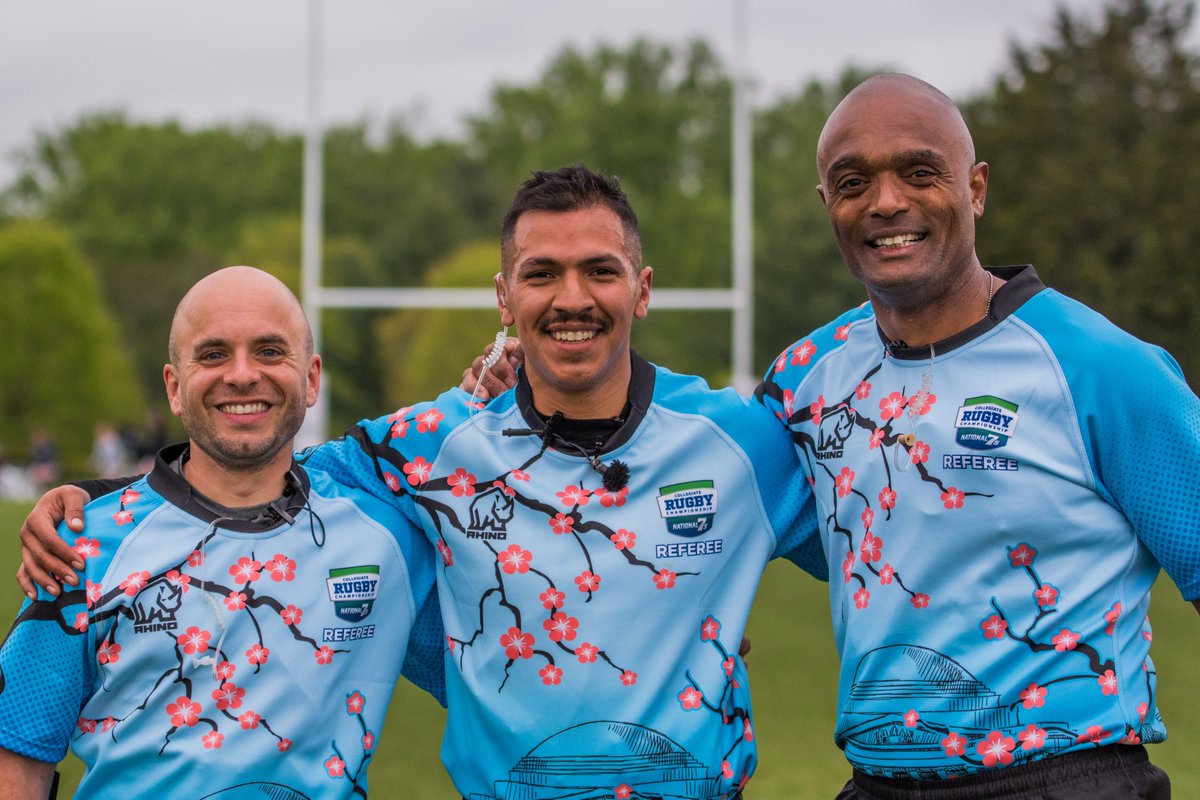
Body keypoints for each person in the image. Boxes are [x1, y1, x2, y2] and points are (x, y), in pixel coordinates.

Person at [19, 167, 826, 800]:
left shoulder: (742, 441)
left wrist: (694, 628)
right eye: (542, 273)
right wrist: (89, 499)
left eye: (599, 271)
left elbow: (875, 528)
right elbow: (250, 471)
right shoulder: (426, 452)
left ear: (642, 289)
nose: (572, 298)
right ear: (505, 299)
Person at [753, 73, 1198, 798]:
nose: (886, 201)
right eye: (853, 180)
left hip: (1067, 778)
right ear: (828, 205)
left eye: (920, 172)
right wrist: (522, 402)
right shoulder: (801, 379)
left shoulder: (1101, 368)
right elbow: (676, 481)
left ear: (977, 188)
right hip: (876, 781)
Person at [0, 267, 442, 798]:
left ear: (312, 378)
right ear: (174, 387)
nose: (241, 375)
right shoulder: (84, 544)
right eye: (212, 355)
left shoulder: (386, 537)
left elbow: (499, 681)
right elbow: (18, 751)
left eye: (270, 352)